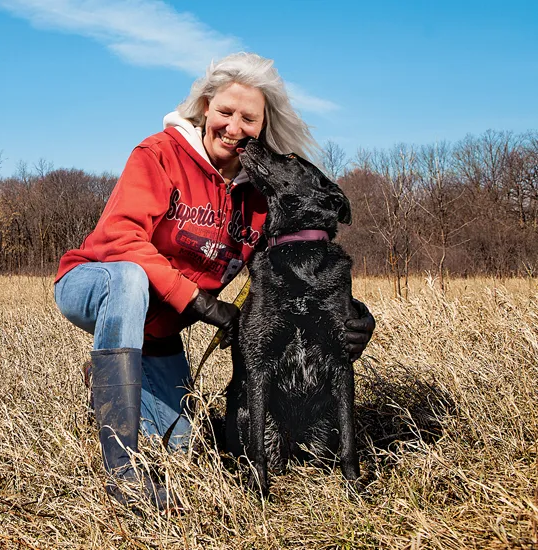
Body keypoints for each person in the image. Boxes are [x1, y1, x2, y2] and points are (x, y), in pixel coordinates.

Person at [53, 52, 376, 511]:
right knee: (128, 279)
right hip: (95, 283)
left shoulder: (260, 199)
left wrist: (356, 319)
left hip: (159, 332)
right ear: (206, 107)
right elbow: (122, 238)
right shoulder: (159, 154)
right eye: (225, 111)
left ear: (261, 129)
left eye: (249, 118)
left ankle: (111, 381)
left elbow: (288, 269)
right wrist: (200, 303)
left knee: (181, 448)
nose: (233, 126)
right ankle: (121, 475)